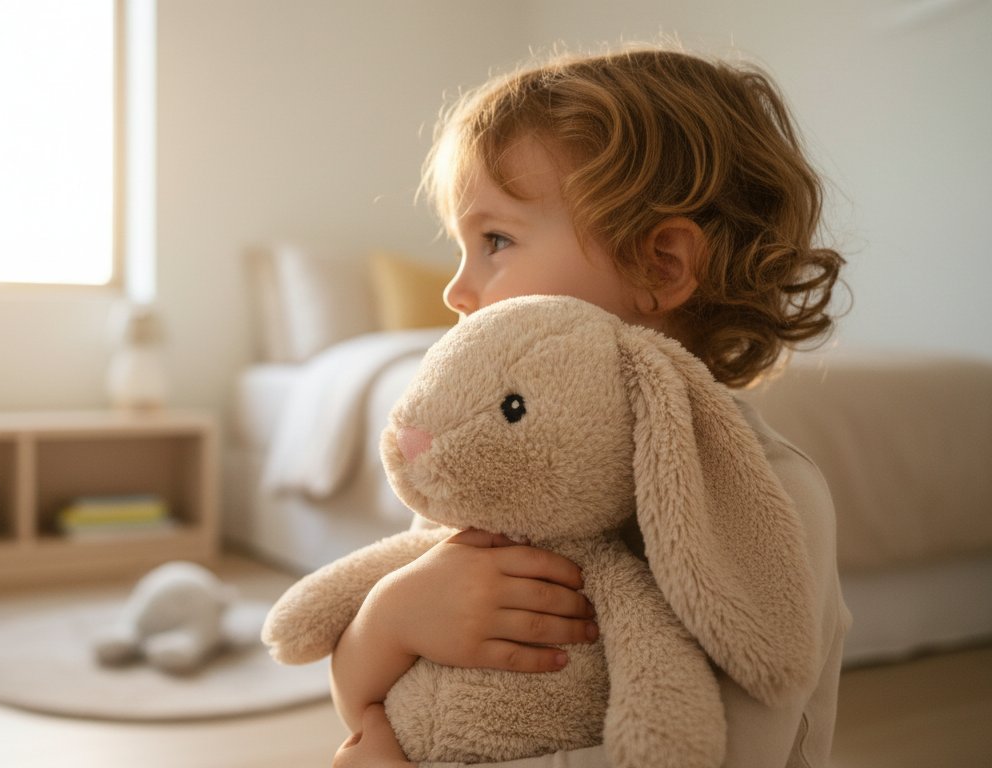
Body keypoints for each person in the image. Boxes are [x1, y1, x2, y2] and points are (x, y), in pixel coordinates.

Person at [329, 45, 849, 768]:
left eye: (496, 240)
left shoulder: (767, 499)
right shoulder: (490, 462)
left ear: (660, 264)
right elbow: (370, 699)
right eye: (462, 246)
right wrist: (388, 620)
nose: (456, 291)